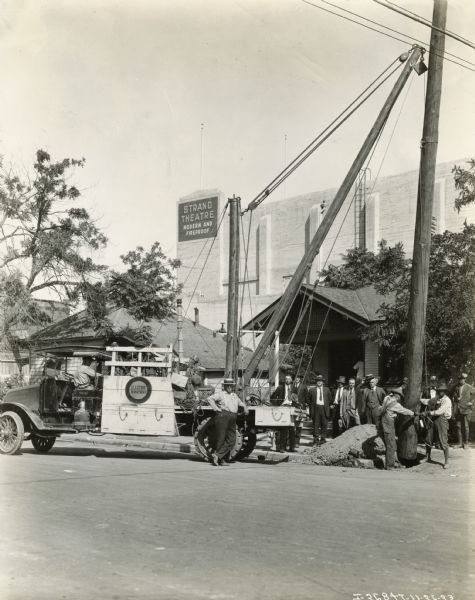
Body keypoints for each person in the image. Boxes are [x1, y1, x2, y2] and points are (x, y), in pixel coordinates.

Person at [207, 378, 249, 466]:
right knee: (221, 438)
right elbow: (210, 399)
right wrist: (216, 409)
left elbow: (241, 403)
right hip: (223, 416)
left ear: (233, 386)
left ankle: (217, 455)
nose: (230, 387)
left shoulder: (234, 395)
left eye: (231, 385)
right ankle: (222, 460)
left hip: (233, 417)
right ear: (224, 386)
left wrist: (245, 407)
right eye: (228, 386)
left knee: (232, 439)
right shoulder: (221, 394)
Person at [379, 387, 415, 470]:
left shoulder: (387, 398)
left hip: (384, 423)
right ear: (398, 397)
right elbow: (403, 410)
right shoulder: (395, 404)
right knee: (391, 445)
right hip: (389, 424)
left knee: (392, 444)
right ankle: (389, 465)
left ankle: (394, 462)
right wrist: (413, 413)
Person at [420, 382, 452, 468]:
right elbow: (428, 401)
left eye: (442, 391)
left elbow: (440, 411)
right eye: (439, 391)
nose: (440, 392)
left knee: (443, 440)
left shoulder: (447, 400)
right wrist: (419, 399)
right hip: (433, 420)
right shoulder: (437, 398)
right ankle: (427, 457)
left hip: (442, 420)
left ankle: (446, 462)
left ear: (445, 392)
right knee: (428, 438)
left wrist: (428, 412)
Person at [270, 373, 296, 452]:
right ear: (285, 380)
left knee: (292, 429)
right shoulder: (280, 387)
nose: (288, 380)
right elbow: (272, 398)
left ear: (291, 380)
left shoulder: (294, 388)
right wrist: (277, 405)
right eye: (286, 379)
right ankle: (282, 448)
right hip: (283, 408)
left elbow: (296, 398)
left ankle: (292, 447)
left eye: (289, 379)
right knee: (283, 429)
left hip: (291, 408)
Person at [452, 372, 475, 448]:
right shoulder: (456, 387)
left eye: (462, 379)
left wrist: (471, 402)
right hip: (458, 409)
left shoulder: (469, 387)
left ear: (465, 379)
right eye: (460, 379)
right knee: (458, 426)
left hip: (466, 409)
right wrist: (456, 398)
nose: (461, 381)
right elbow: (453, 395)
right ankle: (459, 443)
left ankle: (466, 443)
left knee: (465, 426)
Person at [308, 374, 331, 445]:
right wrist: (311, 406)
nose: (319, 382)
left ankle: (323, 439)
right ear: (316, 382)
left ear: (323, 382)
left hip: (324, 408)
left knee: (324, 424)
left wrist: (326, 405)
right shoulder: (312, 390)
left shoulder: (327, 389)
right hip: (316, 408)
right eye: (318, 381)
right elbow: (308, 399)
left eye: (320, 381)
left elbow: (330, 399)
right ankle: (316, 439)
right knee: (316, 425)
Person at [292, 374, 309, 449]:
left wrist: (306, 406)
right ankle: (290, 442)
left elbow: (307, 397)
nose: (297, 379)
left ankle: (296, 442)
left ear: (300, 379)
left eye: (298, 378)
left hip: (300, 408)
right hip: (291, 408)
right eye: (296, 378)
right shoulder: (291, 386)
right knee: (291, 426)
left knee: (299, 426)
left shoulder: (304, 387)